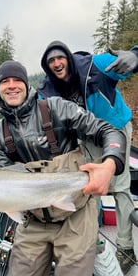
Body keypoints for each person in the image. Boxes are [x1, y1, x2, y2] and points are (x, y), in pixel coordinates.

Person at [0, 60, 127, 276]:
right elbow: (2, 189)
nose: (11, 85)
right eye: (5, 81)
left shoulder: (58, 108)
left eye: (17, 80)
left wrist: (110, 164)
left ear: (27, 84)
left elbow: (110, 132)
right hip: (33, 220)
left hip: (77, 214)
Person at [38, 41, 138, 275]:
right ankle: (94, 243)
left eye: (59, 58)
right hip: (89, 135)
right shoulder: (48, 88)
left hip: (117, 128)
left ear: (68, 59)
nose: (56, 63)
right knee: (89, 186)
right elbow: (33, 109)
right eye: (50, 61)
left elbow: (133, 61)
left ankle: (125, 247)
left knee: (120, 187)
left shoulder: (96, 65)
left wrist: (135, 56)